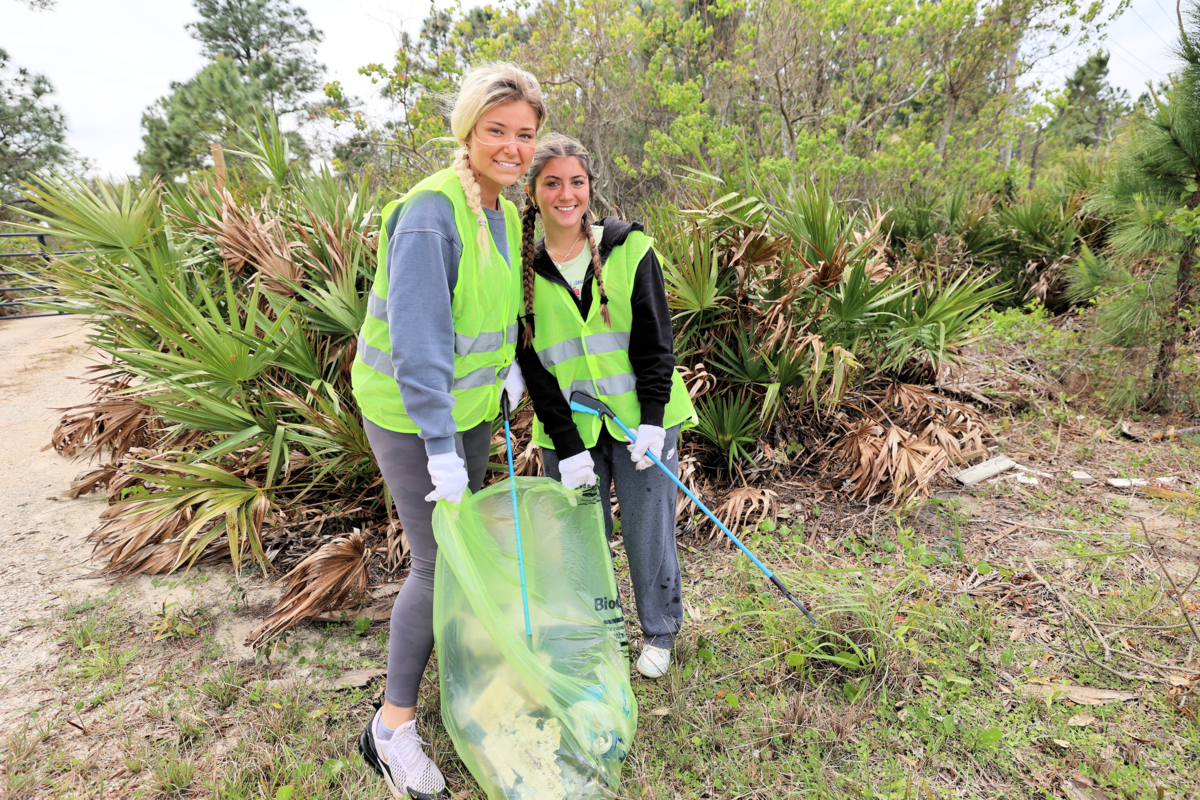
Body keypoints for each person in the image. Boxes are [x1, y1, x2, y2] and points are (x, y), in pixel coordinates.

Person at [350, 62, 547, 800]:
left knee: (463, 563)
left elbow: (483, 312)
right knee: (437, 565)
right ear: (470, 129)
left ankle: (462, 684)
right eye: (498, 131)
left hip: (464, 410)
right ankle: (391, 729)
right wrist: (440, 450)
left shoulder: (500, 209)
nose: (513, 146)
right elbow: (421, 344)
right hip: (412, 415)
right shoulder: (435, 211)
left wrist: (507, 366)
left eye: (524, 134)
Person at [513, 135, 697, 681]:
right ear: (533, 191)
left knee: (648, 532)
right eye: (552, 183)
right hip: (568, 428)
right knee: (580, 540)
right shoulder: (519, 267)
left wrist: (652, 422)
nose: (565, 194)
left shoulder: (628, 249)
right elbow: (537, 367)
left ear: (590, 189)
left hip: (643, 420)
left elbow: (654, 344)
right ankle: (596, 635)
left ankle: (658, 633)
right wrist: (566, 447)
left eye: (576, 182)